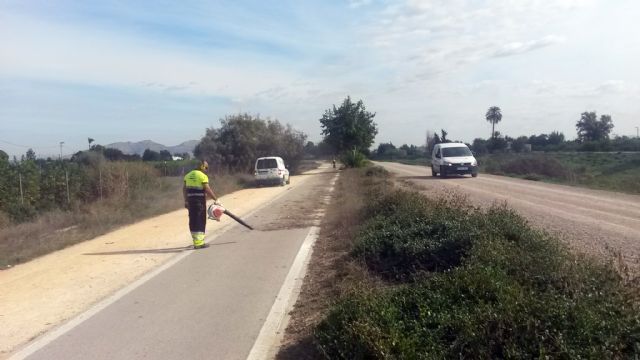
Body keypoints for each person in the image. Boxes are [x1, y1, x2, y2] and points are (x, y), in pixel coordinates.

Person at [183, 160, 218, 249]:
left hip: (190, 202)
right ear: (202, 167)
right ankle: (199, 243)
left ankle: (196, 241)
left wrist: (186, 201)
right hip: (199, 202)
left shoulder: (187, 175)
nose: (206, 170)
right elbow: (207, 189)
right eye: (206, 167)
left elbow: (184, 190)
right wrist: (215, 199)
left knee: (193, 220)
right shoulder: (203, 176)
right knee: (200, 221)